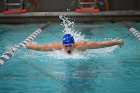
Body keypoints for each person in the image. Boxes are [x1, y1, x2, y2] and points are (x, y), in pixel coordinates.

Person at [26, 34, 124, 54]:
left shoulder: (82, 46)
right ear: (62, 44)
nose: (68, 48)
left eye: (70, 45)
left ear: (74, 44)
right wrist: (29, 45)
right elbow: (39, 48)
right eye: (66, 45)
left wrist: (118, 42)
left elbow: (102, 44)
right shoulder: (56, 46)